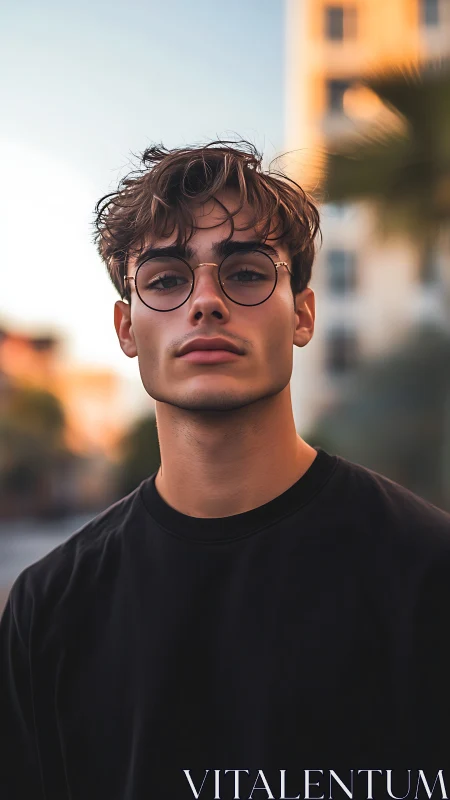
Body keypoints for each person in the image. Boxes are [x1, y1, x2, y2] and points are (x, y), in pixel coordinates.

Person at [1, 140, 450, 800]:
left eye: (244, 273)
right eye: (165, 279)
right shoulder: (48, 609)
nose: (205, 301)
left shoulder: (430, 572)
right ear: (127, 330)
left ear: (301, 314)